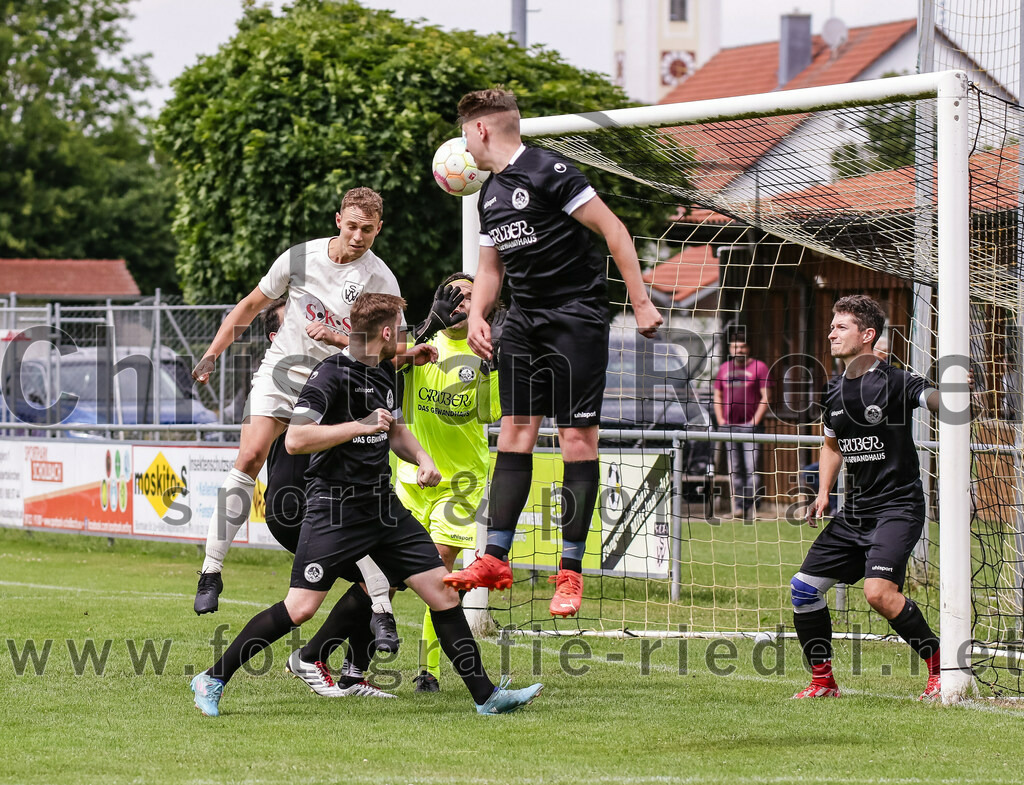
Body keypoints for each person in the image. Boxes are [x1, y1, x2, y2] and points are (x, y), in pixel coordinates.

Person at [189, 293, 543, 716]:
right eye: (404, 328)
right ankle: (212, 678)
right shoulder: (331, 374)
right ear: (389, 332)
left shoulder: (384, 373)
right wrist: (357, 425)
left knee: (443, 595)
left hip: (383, 509)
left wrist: (424, 459)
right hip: (334, 510)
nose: (409, 336)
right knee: (300, 608)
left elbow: (394, 431)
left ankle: (487, 697)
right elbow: (298, 439)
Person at [442, 87, 663, 618]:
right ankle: (494, 558)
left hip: (575, 316)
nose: (464, 148)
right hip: (522, 320)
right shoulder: (487, 193)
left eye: (465, 135)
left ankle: (569, 573)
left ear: (480, 130)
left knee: (575, 439)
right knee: (515, 431)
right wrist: (477, 314)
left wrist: (640, 301)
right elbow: (490, 268)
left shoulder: (549, 170)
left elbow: (613, 229)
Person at [190, 188, 420, 656]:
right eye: (351, 225)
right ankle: (211, 569)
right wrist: (213, 353)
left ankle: (379, 605)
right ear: (338, 219)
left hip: (337, 390)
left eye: (368, 229)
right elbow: (252, 305)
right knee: (250, 456)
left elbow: (386, 345)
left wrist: (401, 349)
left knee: (347, 499)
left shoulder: (382, 279)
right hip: (283, 375)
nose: (357, 236)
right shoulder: (300, 257)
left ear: (380, 229)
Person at [793, 294, 947, 701]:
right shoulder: (833, 391)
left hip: (898, 507)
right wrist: (823, 492)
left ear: (867, 335)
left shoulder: (894, 381)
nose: (831, 333)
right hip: (857, 511)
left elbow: (929, 398)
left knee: (878, 593)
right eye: (831, 325)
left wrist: (949, 397)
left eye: (840, 326)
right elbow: (830, 445)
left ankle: (941, 668)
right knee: (804, 589)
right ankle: (823, 683)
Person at [394, 273, 502, 693]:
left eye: (472, 297)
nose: (462, 302)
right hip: (410, 473)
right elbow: (385, 364)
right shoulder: (423, 343)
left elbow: (489, 414)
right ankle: (349, 663)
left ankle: (429, 671)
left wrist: (491, 366)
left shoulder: (483, 348)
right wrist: (427, 325)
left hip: (461, 480)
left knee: (437, 572)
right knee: (385, 576)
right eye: (454, 295)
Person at [713, 339, 772, 519]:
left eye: (741, 346)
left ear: (748, 348)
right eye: (734, 347)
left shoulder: (759, 367)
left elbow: (766, 396)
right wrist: (721, 420)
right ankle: (737, 508)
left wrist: (755, 421)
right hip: (729, 427)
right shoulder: (724, 368)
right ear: (730, 349)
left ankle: (751, 509)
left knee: (751, 469)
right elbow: (717, 394)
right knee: (734, 469)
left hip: (750, 428)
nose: (738, 350)